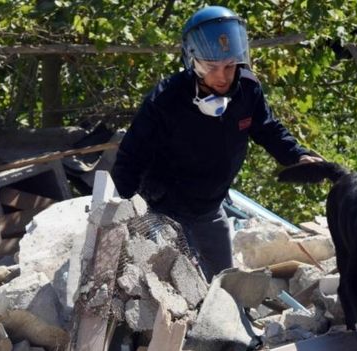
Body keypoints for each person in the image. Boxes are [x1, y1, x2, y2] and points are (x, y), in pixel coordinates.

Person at [112, 5, 322, 281]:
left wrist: (298, 156)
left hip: (210, 209)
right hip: (163, 210)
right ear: (193, 61)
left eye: (230, 66)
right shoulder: (166, 99)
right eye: (212, 67)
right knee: (168, 291)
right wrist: (121, 213)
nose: (223, 77)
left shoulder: (248, 90)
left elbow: (269, 129)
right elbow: (130, 157)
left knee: (224, 287)